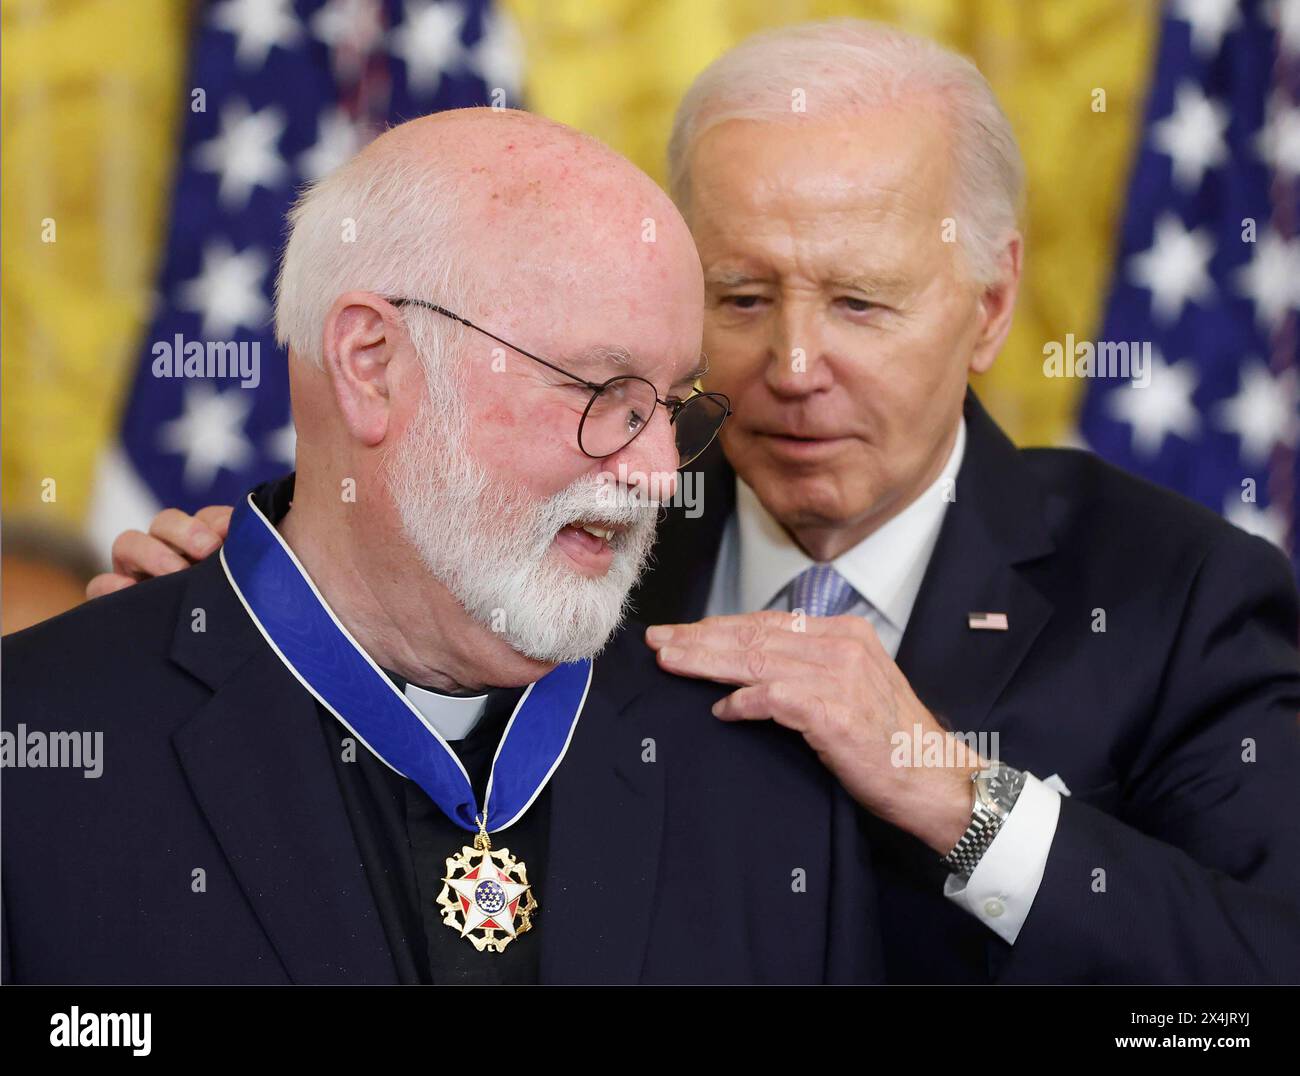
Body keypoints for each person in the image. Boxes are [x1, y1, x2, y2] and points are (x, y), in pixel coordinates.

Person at [87, 21, 1300, 984]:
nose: (792, 364)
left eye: (862, 303)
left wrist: (955, 793)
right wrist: (253, 616)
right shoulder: (563, 519)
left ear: (990, 303)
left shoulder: (1173, 593)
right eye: (740, 296)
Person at [2, 108, 890, 985]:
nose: (660, 472)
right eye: (601, 389)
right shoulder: (35, 752)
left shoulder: (766, 786)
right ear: (372, 363)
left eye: (671, 403)